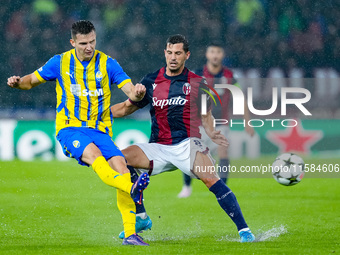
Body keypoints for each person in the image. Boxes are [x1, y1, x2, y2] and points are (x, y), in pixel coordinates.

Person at [7, 20, 150, 246]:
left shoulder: (108, 64)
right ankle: (129, 187)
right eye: (83, 43)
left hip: (100, 130)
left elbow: (129, 88)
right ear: (73, 42)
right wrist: (17, 83)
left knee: (121, 166)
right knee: (95, 156)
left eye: (92, 41)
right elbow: (30, 81)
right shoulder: (60, 62)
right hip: (70, 128)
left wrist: (138, 93)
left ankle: (130, 234)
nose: (89, 47)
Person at [110, 34, 256, 243]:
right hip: (158, 146)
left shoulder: (197, 83)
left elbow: (206, 116)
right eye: (169, 52)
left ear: (187, 55)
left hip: (186, 143)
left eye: (178, 53)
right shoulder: (151, 80)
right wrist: (97, 114)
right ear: (165, 53)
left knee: (211, 180)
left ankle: (244, 230)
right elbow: (125, 108)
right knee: (119, 159)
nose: (173, 57)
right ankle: (141, 217)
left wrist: (212, 132)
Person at [178, 42, 255, 198]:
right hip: (198, 123)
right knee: (188, 155)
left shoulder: (229, 76)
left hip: (221, 122)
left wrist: (247, 122)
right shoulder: (197, 74)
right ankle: (187, 187)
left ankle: (223, 190)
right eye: (212, 51)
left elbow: (240, 98)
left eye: (218, 52)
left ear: (222, 55)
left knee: (223, 150)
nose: (215, 55)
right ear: (207, 54)